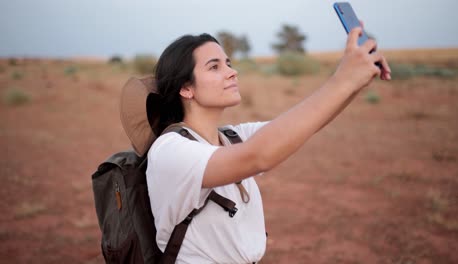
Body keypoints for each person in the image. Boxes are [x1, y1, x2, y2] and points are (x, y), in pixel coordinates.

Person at [124, 28, 391, 263]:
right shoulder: (170, 150)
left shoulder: (231, 137)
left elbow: (304, 124)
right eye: (215, 67)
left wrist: (355, 81)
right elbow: (259, 156)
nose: (232, 72)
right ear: (186, 88)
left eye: (228, 63)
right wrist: (343, 80)